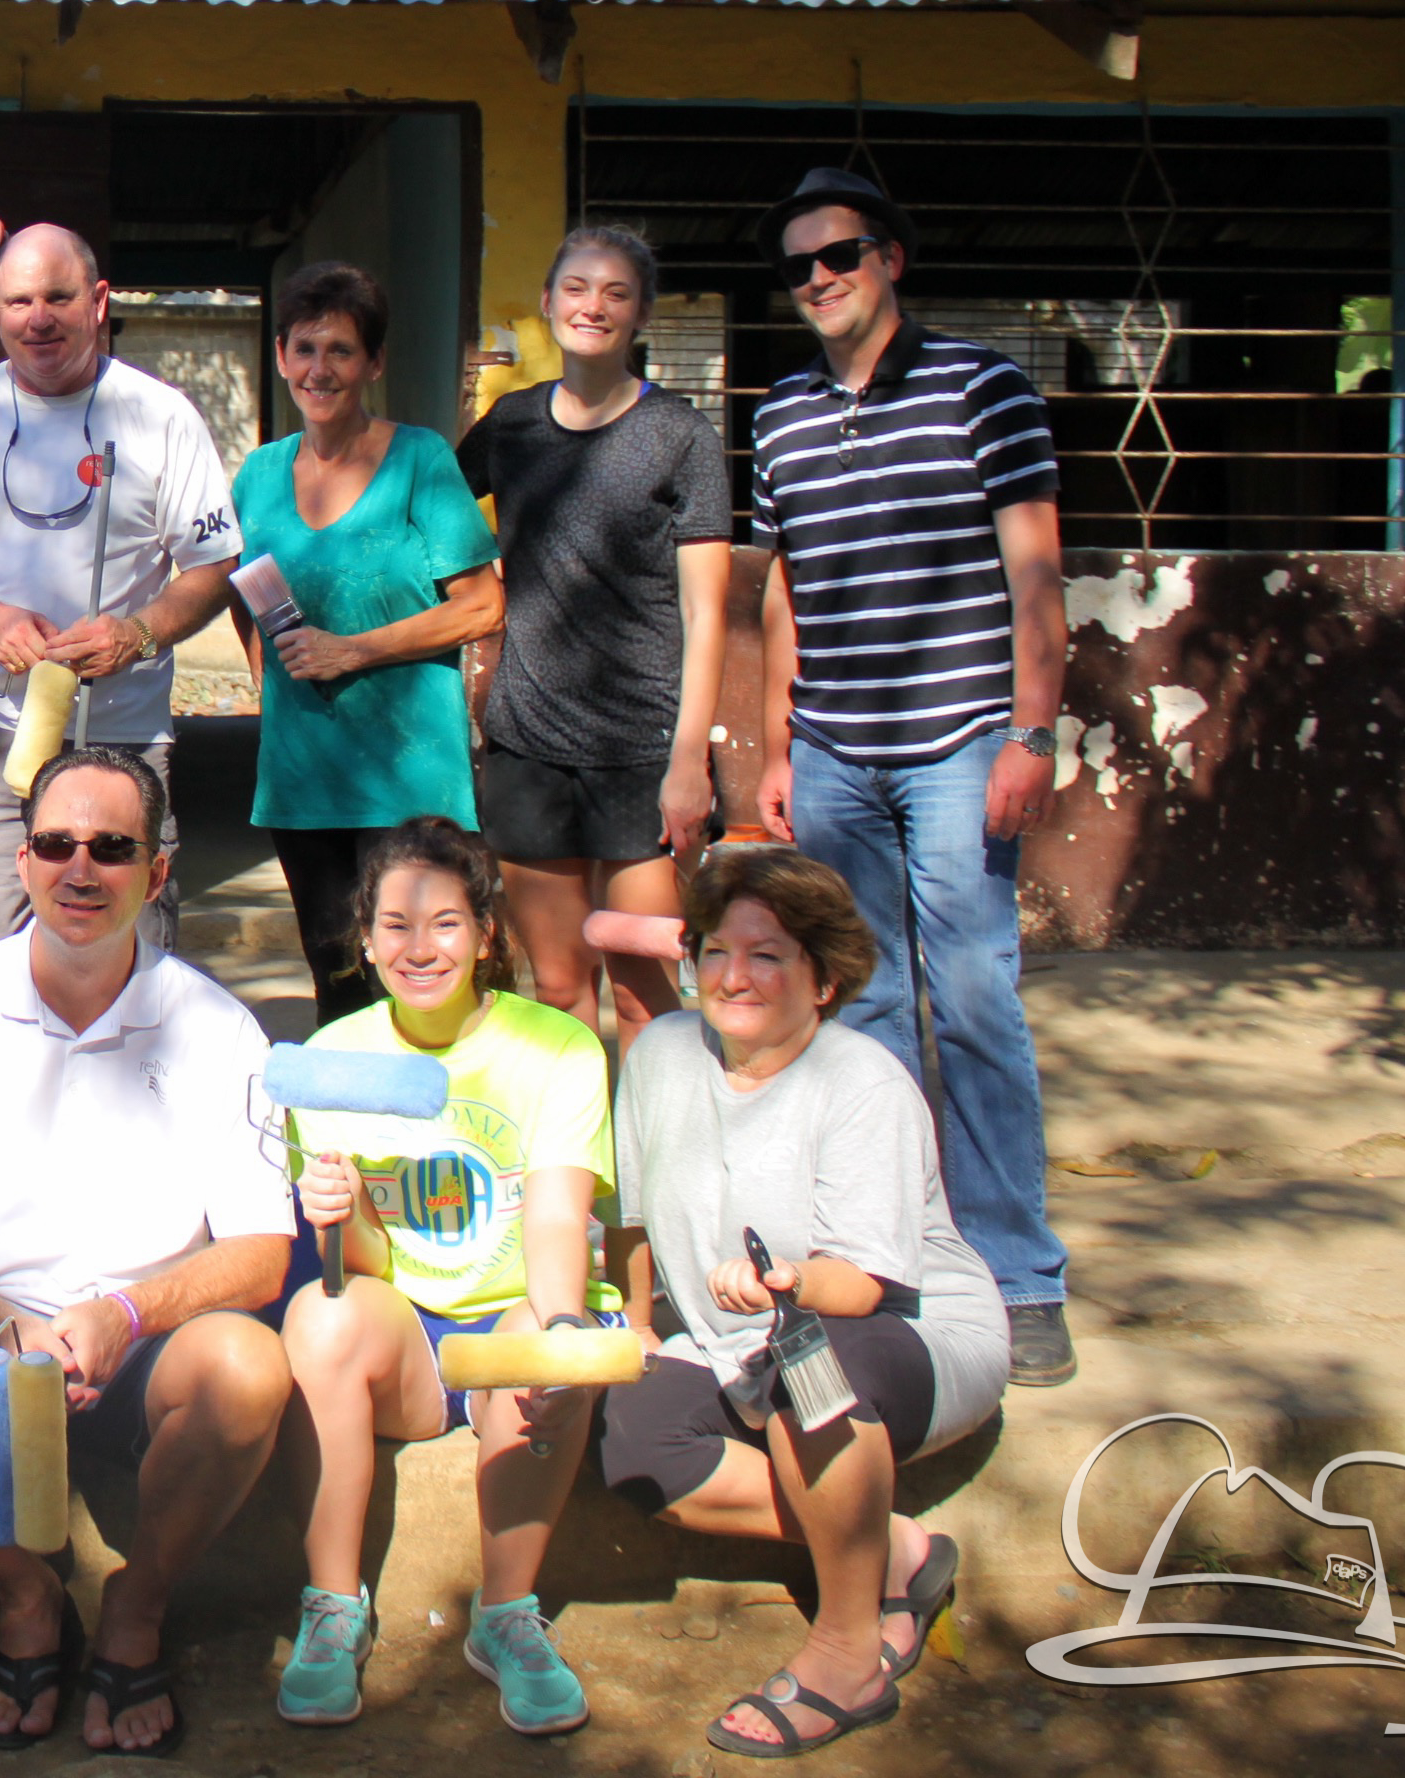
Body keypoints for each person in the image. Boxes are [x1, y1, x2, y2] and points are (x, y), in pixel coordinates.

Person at [0, 748, 292, 1758]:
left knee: (249, 1367)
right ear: (22, 862)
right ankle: (25, 1599)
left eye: (112, 847)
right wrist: (9, 1326)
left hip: (151, 1346)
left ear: (159, 869)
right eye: (56, 844)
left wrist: (128, 1315)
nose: (81, 870)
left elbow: (264, 1254)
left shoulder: (219, 1030)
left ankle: (137, 1608)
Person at [749, 166, 1074, 1387]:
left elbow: (1034, 574)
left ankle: (1021, 1273)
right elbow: (782, 590)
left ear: (891, 258)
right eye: (798, 267)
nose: (819, 279)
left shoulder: (984, 388)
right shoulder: (780, 414)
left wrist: (1030, 734)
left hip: (956, 750)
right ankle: (899, 1258)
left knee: (977, 1000)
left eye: (840, 255)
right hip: (832, 752)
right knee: (868, 1012)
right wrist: (780, 746)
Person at [603, 847, 1007, 1757]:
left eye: (768, 955)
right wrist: (632, 1329)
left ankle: (847, 1652)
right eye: (713, 951)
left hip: (907, 1331)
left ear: (823, 980)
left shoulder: (862, 1081)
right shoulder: (662, 1053)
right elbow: (630, 1220)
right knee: (630, 1440)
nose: (733, 976)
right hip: (733, 1339)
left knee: (809, 1366)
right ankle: (895, 1547)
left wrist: (787, 1281)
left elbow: (863, 1281)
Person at [274, 819, 620, 1736]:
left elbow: (555, 1218)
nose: (419, 949)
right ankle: (332, 1605)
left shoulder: (557, 1050)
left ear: (487, 932)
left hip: (509, 1309)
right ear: (364, 933)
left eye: (445, 924)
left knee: (548, 1346)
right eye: (395, 925)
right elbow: (366, 1274)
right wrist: (342, 1217)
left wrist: (557, 1330)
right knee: (319, 1312)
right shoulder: (334, 1060)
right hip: (408, 1340)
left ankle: (505, 1616)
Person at [0, 224, 242, 967]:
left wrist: (137, 632)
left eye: (58, 298)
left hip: (124, 739)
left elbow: (213, 566)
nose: (38, 318)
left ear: (98, 302)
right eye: (19, 301)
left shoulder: (159, 416)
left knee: (121, 975)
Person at [458, 226, 732, 1040]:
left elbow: (706, 611)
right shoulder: (510, 426)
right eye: (576, 287)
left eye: (616, 293)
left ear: (641, 313)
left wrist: (689, 763)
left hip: (643, 755)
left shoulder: (682, 434)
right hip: (528, 745)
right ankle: (582, 1172)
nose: (593, 306)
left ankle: (662, 1168)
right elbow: (423, 514)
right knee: (560, 994)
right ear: (547, 304)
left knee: (647, 995)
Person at [231, 261, 504, 1018]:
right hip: (303, 780)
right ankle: (347, 1141)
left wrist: (353, 650)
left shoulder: (420, 460)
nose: (321, 370)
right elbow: (242, 592)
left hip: (410, 783)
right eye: (305, 349)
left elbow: (482, 605)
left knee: (427, 985)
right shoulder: (258, 474)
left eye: (342, 351)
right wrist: (273, 680)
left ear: (374, 363)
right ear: (282, 355)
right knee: (339, 988)